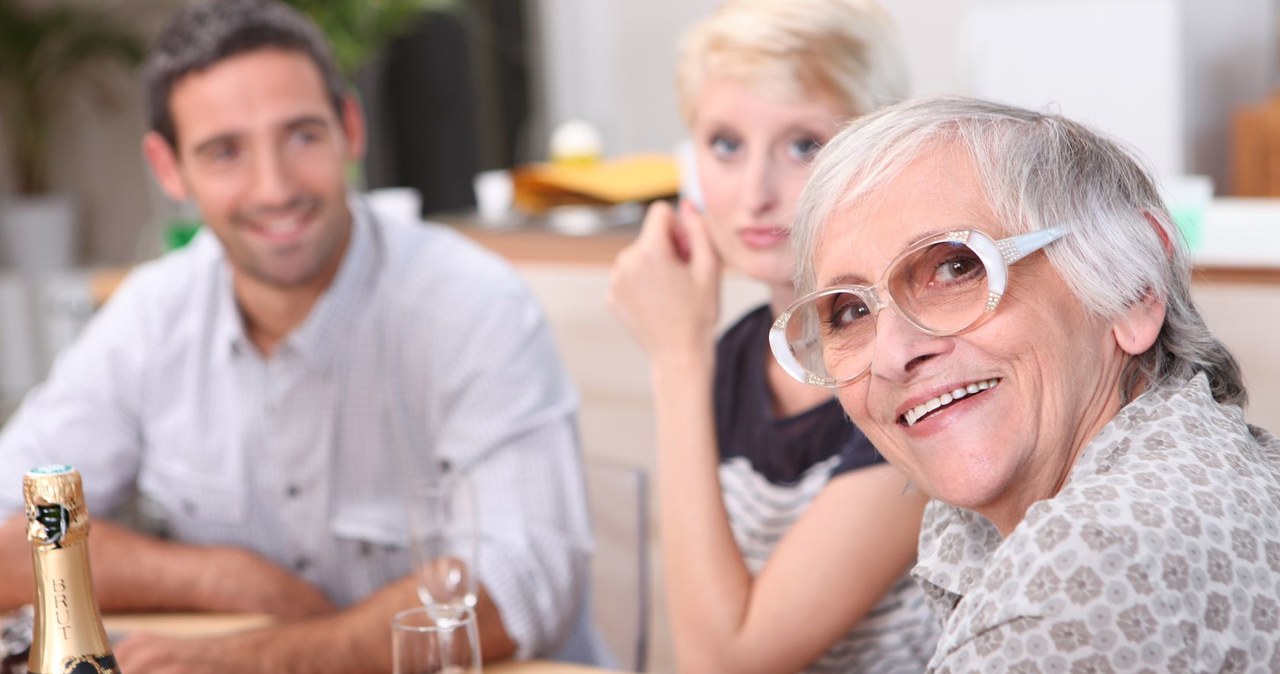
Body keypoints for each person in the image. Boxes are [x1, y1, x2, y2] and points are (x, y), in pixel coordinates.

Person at [0, 1, 603, 671]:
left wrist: (266, 659)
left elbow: (522, 582)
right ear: (169, 169)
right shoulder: (153, 314)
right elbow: (7, 518)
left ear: (350, 128)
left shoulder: (472, 306)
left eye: (302, 136)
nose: (275, 186)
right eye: (224, 151)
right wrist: (221, 578)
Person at [770, 95, 1280, 672]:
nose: (892, 355)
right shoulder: (1197, 470)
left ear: (1133, 287)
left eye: (956, 267)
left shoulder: (1079, 576)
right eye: (850, 312)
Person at [609, 1, 938, 671]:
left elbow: (724, 662)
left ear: (871, 151)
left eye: (802, 145)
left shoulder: (914, 366)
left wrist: (676, 358)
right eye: (726, 144)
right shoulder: (733, 354)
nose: (755, 193)